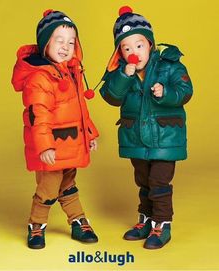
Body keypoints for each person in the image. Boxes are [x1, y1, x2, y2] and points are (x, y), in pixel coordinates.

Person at [99, 6, 193, 249]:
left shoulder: (169, 65)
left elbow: (185, 91)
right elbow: (111, 96)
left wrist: (166, 93)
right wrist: (124, 75)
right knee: (143, 180)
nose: (134, 52)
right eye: (126, 48)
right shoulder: (120, 71)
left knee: (159, 181)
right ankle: (146, 219)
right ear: (120, 51)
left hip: (165, 137)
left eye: (139, 45)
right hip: (136, 139)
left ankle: (162, 224)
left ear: (150, 44)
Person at [12, 9, 99, 249]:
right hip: (51, 145)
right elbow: (38, 115)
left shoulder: (71, 71)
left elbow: (80, 107)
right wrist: (44, 145)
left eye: (71, 42)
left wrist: (89, 134)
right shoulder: (40, 77)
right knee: (49, 188)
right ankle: (36, 224)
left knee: (68, 183)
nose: (66, 47)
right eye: (59, 41)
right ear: (45, 44)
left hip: (71, 142)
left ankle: (78, 220)